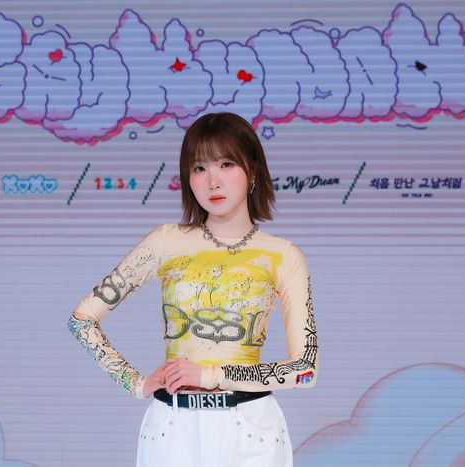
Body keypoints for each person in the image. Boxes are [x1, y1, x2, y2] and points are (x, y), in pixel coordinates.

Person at [68, 112, 318, 467]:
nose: (213, 181)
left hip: (250, 429)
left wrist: (210, 375)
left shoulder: (282, 255)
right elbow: (81, 320)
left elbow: (305, 369)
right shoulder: (166, 241)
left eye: (226, 164)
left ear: (252, 171)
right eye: (199, 168)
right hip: (172, 429)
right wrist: (136, 382)